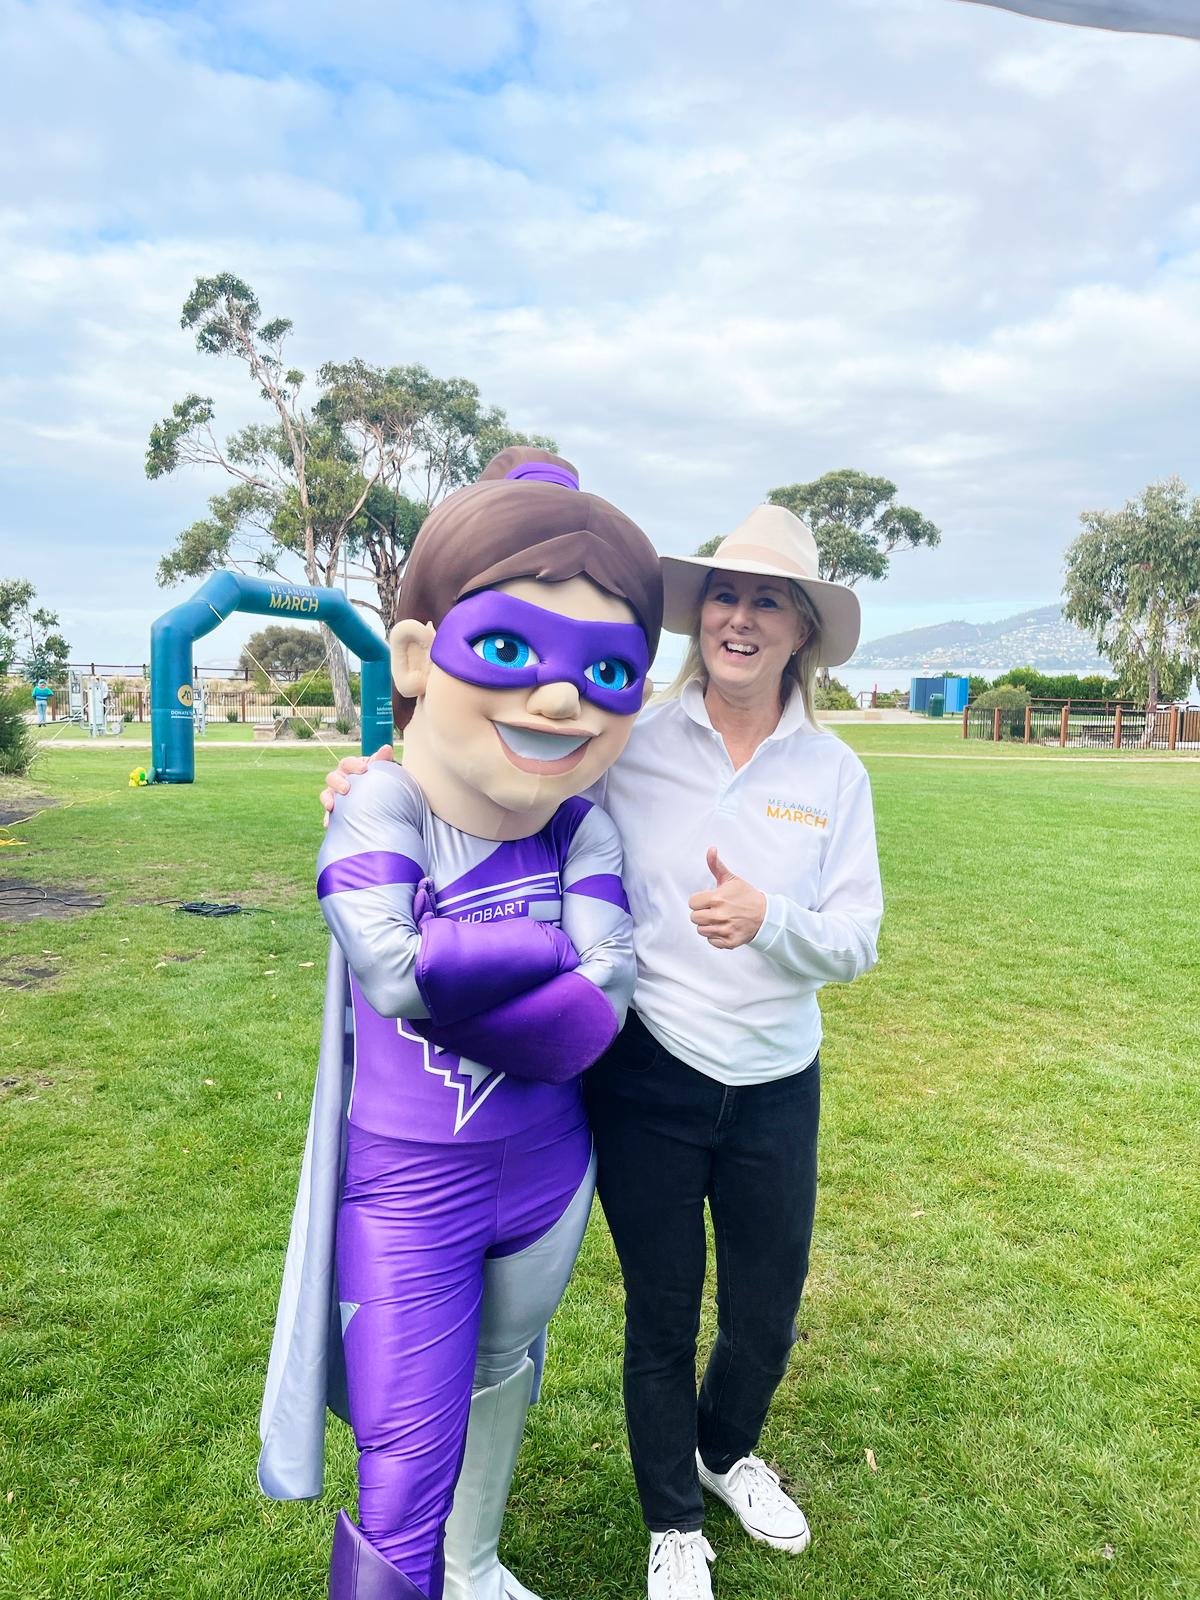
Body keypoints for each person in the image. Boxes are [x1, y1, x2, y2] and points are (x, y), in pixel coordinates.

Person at [323, 503, 883, 1600]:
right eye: (724, 596)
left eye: (769, 602)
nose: (740, 618)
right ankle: (673, 1519)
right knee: (661, 1311)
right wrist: (379, 772)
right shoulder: (636, 742)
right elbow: (502, 780)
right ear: (698, 617)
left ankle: (724, 1453)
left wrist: (770, 919)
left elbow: (858, 939)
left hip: (777, 1079)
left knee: (765, 1315)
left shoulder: (834, 772)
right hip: (651, 1069)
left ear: (803, 631)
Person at [265, 446, 663, 1600]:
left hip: (547, 1178)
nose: (560, 698)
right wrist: (551, 949)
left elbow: (596, 1017)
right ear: (413, 655)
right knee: (400, 1456)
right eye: (506, 648)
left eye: (608, 670)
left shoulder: (581, 828)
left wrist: (462, 947)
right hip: (407, 1186)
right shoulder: (383, 801)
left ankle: (476, 1560)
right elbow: (391, 973)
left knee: (505, 1368)